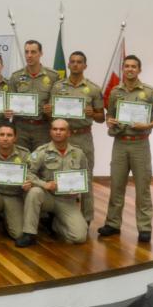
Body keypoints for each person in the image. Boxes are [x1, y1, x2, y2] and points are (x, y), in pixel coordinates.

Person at [98, 55, 153, 243]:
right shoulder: (115, 92)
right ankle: (112, 224)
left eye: (133, 66)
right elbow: (110, 116)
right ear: (123, 69)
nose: (130, 69)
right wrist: (109, 121)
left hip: (140, 144)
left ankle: (144, 227)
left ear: (139, 70)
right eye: (127, 66)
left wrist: (148, 125)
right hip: (120, 143)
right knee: (116, 186)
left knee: (142, 188)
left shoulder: (149, 92)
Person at [49, 51, 104, 224]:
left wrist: (93, 113)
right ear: (68, 65)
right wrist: (48, 110)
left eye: (79, 62)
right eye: (72, 62)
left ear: (85, 66)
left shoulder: (93, 89)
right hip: (61, 138)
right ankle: (59, 217)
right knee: (58, 175)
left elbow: (102, 118)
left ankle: (87, 218)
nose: (75, 64)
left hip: (83, 137)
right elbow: (51, 114)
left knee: (85, 178)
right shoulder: (58, 87)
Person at [20, 119, 89, 247]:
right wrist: (43, 184)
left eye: (62, 130)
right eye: (55, 129)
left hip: (68, 201)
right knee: (35, 192)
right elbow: (27, 172)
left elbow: (86, 178)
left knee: (79, 237)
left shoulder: (78, 153)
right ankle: (29, 234)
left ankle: (56, 225)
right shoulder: (41, 152)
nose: (58, 132)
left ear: (69, 133)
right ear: (50, 132)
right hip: (47, 196)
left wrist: (80, 188)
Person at [0, 123, 33, 241]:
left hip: (14, 196)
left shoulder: (24, 154)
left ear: (15, 138)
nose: (5, 138)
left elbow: (32, 175)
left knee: (18, 234)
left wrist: (29, 183)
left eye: (9, 135)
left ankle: (6, 220)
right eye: (2, 134)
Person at [8, 40, 60, 151]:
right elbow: (9, 102)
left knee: (42, 162)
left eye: (33, 52)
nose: (29, 55)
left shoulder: (53, 76)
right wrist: (8, 110)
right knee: (21, 160)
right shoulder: (16, 77)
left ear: (41, 54)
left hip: (42, 127)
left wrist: (51, 109)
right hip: (20, 127)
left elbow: (57, 103)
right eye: (26, 52)